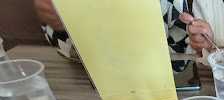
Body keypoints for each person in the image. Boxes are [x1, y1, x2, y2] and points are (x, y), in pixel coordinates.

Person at [34, 0, 190, 61]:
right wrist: (61, 24)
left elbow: (181, 56)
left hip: (160, 86)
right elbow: (69, 56)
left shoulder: (170, 3)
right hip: (91, 89)